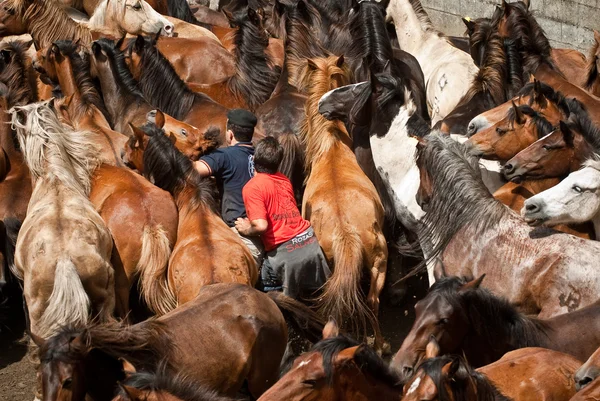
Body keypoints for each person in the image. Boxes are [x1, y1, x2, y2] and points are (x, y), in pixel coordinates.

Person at [235, 137, 331, 299]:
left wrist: (246, 228)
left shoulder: (252, 187)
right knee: (317, 298)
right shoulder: (284, 180)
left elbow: (260, 226)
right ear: (278, 163)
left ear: (254, 158)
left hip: (287, 255)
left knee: (260, 292)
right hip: (310, 246)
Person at [194, 109, 263, 265]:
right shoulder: (261, 156)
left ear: (230, 134)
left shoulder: (224, 156)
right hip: (262, 235)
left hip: (240, 237)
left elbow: (191, 171)